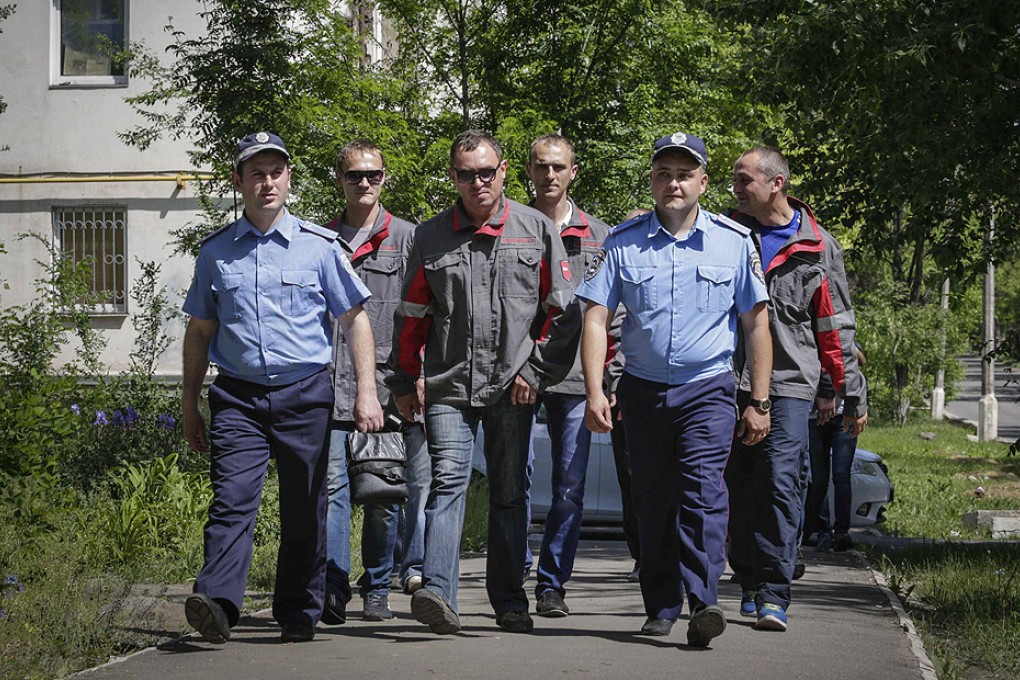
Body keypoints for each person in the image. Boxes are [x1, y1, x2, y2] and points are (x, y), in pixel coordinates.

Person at [181, 132, 384, 644]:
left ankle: (297, 610)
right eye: (256, 173)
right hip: (238, 398)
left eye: (276, 172)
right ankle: (218, 604)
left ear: (288, 179)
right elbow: (200, 331)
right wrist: (188, 402)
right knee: (231, 500)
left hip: (305, 394)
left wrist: (366, 391)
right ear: (239, 182)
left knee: (305, 504)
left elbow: (356, 319)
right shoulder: (217, 253)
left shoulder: (319, 248)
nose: (266, 182)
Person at [576, 132, 772, 648]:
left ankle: (704, 601)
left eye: (685, 174)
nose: (674, 183)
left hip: (707, 390)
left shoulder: (734, 241)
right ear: (652, 180)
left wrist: (759, 399)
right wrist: (595, 390)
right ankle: (661, 605)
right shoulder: (622, 241)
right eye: (664, 173)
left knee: (704, 494)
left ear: (704, 183)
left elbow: (756, 324)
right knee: (652, 500)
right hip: (641, 392)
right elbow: (595, 318)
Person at [386, 129, 577, 635]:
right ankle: (439, 596)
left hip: (514, 386)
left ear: (504, 171)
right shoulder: (429, 237)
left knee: (510, 494)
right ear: (454, 177)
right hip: (449, 384)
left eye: (486, 172)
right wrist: (404, 379)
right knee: (448, 482)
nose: (477, 183)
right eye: (466, 174)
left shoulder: (534, 228)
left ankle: (511, 602)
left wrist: (535, 373)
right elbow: (411, 317)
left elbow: (563, 314)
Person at [725, 145, 867, 632]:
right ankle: (745, 578)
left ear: (775, 183)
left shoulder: (818, 245)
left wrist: (847, 391)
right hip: (725, 380)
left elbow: (836, 325)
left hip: (788, 383)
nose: (736, 189)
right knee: (736, 485)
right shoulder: (725, 234)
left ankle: (773, 592)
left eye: (744, 180)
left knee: (781, 483)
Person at [320, 139, 427, 626]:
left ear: (385, 178)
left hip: (387, 390)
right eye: (355, 175)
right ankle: (333, 588)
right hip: (327, 388)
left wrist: (417, 375)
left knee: (383, 496)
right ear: (338, 179)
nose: (365, 183)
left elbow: (425, 315)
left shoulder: (408, 240)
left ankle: (378, 586)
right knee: (332, 493)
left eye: (374, 175)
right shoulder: (318, 241)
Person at [523, 134, 611, 618]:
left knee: (569, 485)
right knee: (513, 480)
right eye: (542, 166)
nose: (550, 175)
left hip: (579, 378)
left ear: (573, 171)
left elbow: (614, 313)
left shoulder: (601, 236)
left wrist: (608, 378)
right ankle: (515, 564)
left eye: (559, 167)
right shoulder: (512, 226)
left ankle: (552, 583)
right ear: (529, 171)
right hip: (519, 374)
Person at [607, 208, 651, 584]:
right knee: (633, 480)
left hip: (660, 386)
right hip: (624, 391)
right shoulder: (615, 268)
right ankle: (642, 554)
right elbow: (609, 331)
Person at [804, 344, 868, 552]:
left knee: (841, 475)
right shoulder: (809, 339)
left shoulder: (841, 337)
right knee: (819, 477)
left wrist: (841, 345)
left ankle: (842, 532)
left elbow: (861, 360)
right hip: (814, 417)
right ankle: (822, 531)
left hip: (843, 415)